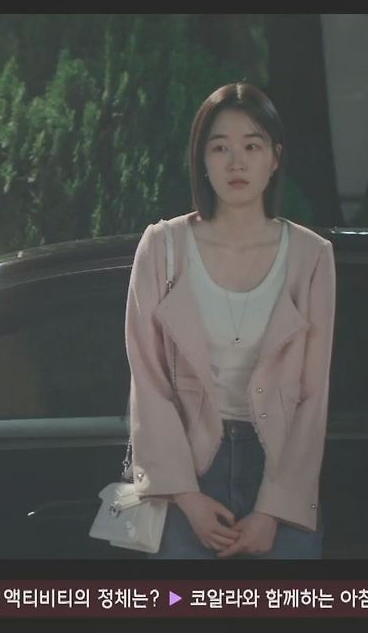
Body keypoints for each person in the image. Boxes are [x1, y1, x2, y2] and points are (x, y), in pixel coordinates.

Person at [124, 82, 336, 559]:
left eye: (252, 146)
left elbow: (312, 394)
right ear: (202, 159)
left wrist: (273, 509)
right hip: (186, 466)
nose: (236, 162)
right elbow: (148, 383)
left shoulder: (311, 256)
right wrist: (186, 497)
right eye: (220, 148)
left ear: (275, 158)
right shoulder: (162, 248)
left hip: (279, 467)